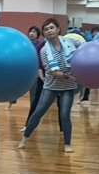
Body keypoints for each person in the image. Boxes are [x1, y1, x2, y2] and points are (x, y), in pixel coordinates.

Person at [19, 18, 81, 153]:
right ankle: (24, 139)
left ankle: (67, 144)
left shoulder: (71, 42)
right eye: (46, 29)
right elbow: (52, 71)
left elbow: (85, 48)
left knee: (65, 115)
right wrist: (66, 75)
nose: (49, 31)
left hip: (68, 86)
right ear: (44, 34)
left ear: (58, 29)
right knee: (38, 112)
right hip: (51, 86)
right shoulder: (44, 50)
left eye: (51, 28)